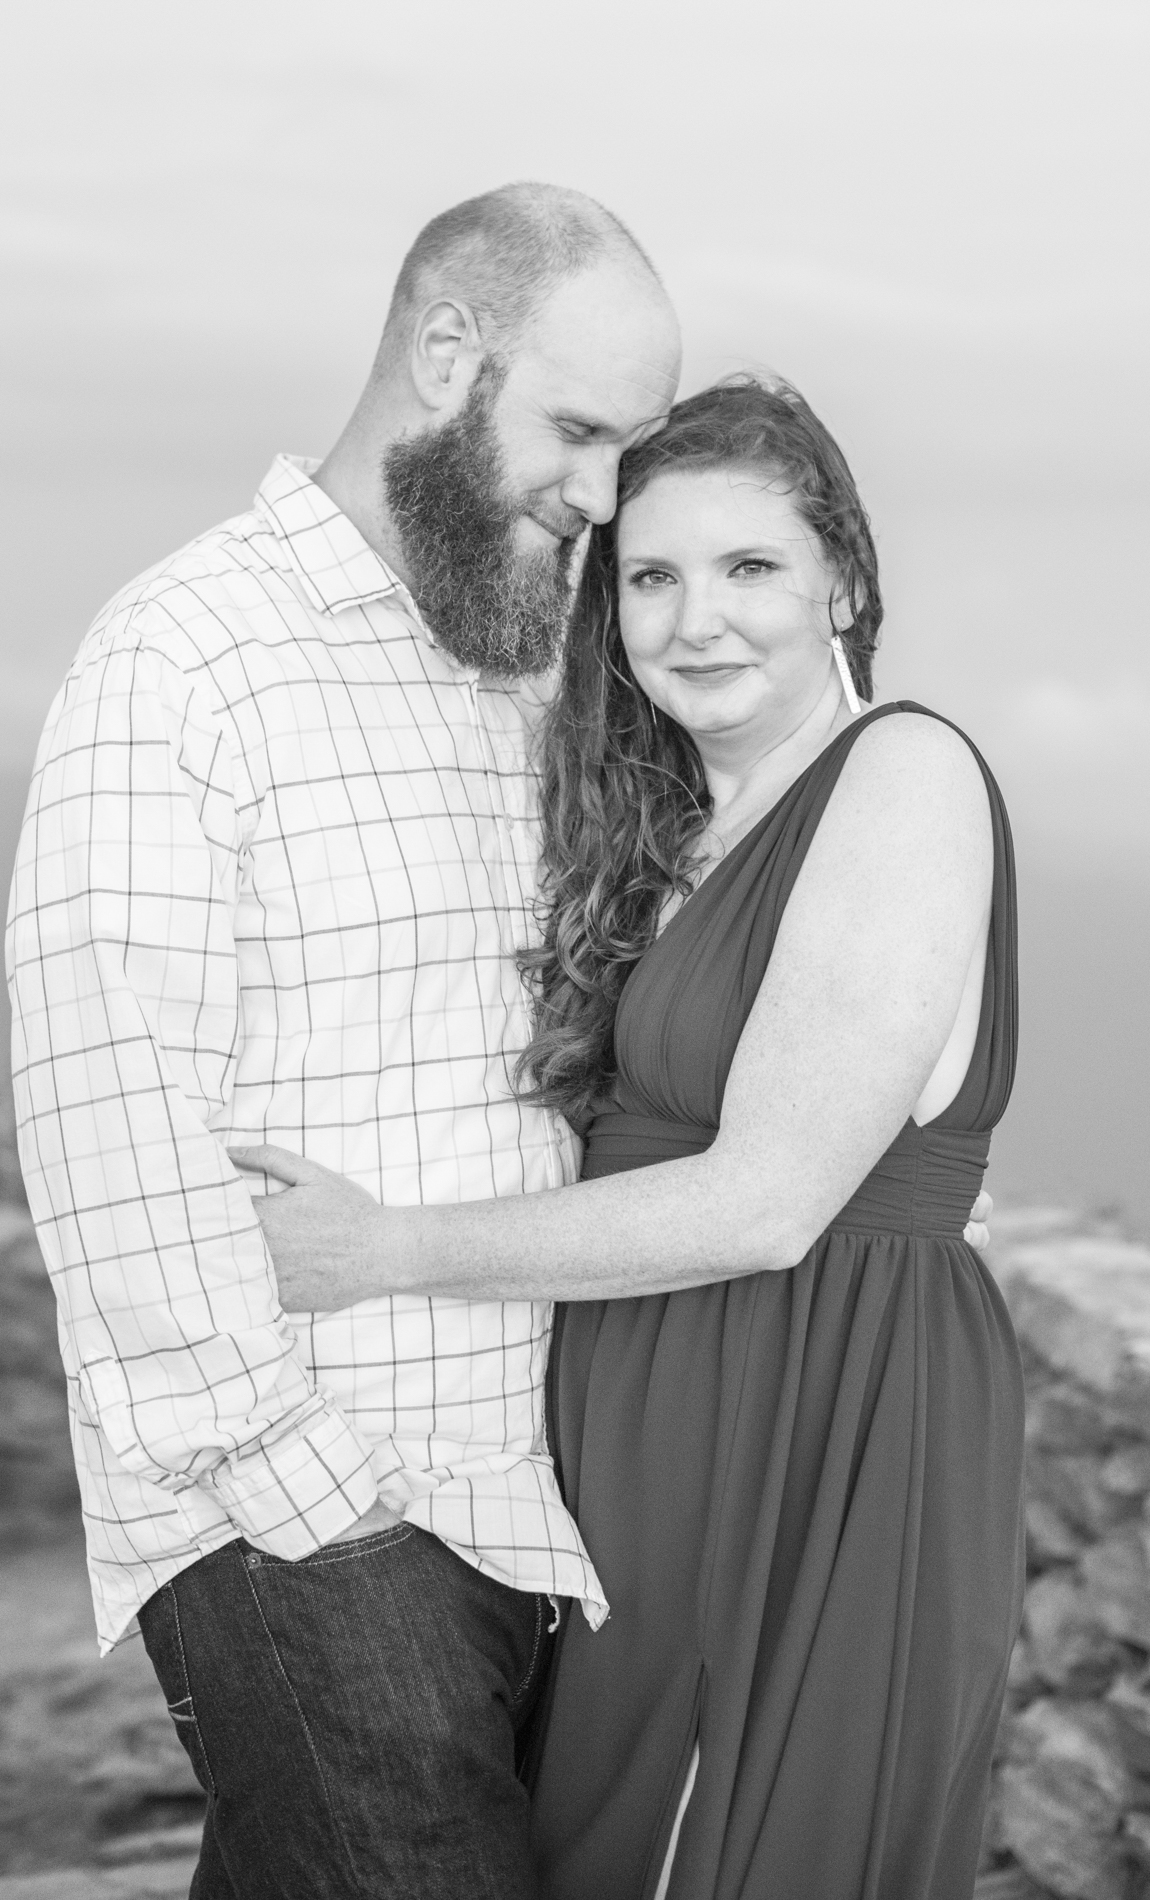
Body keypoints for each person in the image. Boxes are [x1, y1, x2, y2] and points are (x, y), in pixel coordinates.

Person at [237, 377, 1025, 1900]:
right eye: (653, 576)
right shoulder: (675, 818)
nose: (695, 622)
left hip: (809, 1411)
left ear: (844, 581)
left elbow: (764, 1208)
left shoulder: (901, 777)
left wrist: (383, 1254)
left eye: (751, 569)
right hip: (647, 1424)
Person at [6, 183, 682, 1899]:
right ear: (446, 351)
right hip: (312, 1509)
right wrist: (310, 1495)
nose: (604, 498)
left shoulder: (526, 667)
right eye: (581, 431)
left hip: (525, 1498)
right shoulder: (183, 659)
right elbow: (109, 1131)